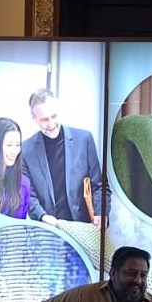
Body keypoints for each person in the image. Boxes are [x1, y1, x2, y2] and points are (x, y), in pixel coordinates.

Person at [21, 88, 110, 227]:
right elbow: (28, 196)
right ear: (34, 118)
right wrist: (43, 216)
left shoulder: (84, 139)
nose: (51, 124)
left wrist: (101, 213)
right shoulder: (25, 150)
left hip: (83, 228)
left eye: (54, 116)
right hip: (48, 229)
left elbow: (99, 185)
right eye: (45, 119)